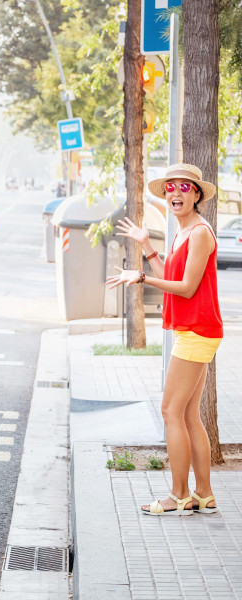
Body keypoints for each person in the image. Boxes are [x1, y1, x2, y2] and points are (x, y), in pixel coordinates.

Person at [107, 163, 223, 516]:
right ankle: (203, 493)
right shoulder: (183, 232)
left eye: (184, 188)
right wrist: (147, 247)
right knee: (188, 414)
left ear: (197, 195)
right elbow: (172, 275)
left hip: (198, 329)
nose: (175, 192)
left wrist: (142, 278)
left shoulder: (200, 233)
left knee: (170, 411)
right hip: (194, 329)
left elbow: (186, 289)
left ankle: (179, 495)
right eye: (170, 187)